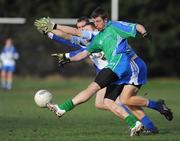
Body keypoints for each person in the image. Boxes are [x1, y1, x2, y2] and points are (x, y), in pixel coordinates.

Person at [35, 9, 173, 134]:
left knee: (97, 90)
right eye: (80, 27)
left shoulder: (100, 31)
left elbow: (74, 33)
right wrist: (51, 34)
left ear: (95, 24)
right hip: (116, 70)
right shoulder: (95, 39)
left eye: (85, 26)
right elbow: (72, 42)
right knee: (113, 101)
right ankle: (142, 122)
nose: (81, 29)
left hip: (126, 66)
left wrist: (54, 26)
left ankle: (62, 108)